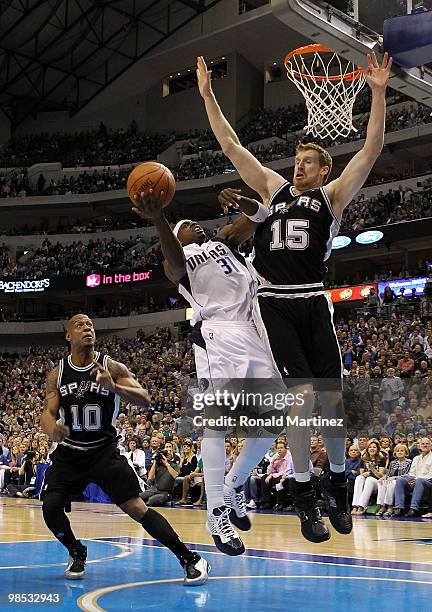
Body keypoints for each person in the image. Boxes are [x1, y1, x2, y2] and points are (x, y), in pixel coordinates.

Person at [196, 51, 393, 542]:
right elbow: (232, 145)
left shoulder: (332, 197)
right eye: (298, 160)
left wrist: (379, 92)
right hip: (273, 302)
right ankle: (305, 494)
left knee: (331, 403)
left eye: (308, 162)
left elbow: (370, 151)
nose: (299, 166)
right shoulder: (273, 188)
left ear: (324, 169)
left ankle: (339, 484)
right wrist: (206, 95)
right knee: (303, 400)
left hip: (313, 299)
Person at [132, 192, 285, 556]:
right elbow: (170, 260)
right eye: (186, 226)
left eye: (194, 223)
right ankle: (215, 512)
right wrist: (161, 220)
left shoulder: (223, 241)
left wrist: (241, 200)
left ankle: (233, 484)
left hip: (253, 330)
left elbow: (261, 214)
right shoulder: (181, 257)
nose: (193, 225)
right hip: (218, 335)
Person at [40, 313, 209, 585]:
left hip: (103, 452)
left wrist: (113, 386)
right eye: (80, 325)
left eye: (90, 325)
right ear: (68, 336)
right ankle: (76, 550)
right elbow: (48, 413)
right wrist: (52, 429)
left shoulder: (112, 366)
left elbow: (144, 398)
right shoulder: (57, 373)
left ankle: (190, 558)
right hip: (70, 453)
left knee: (136, 508)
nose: (87, 328)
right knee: (50, 506)